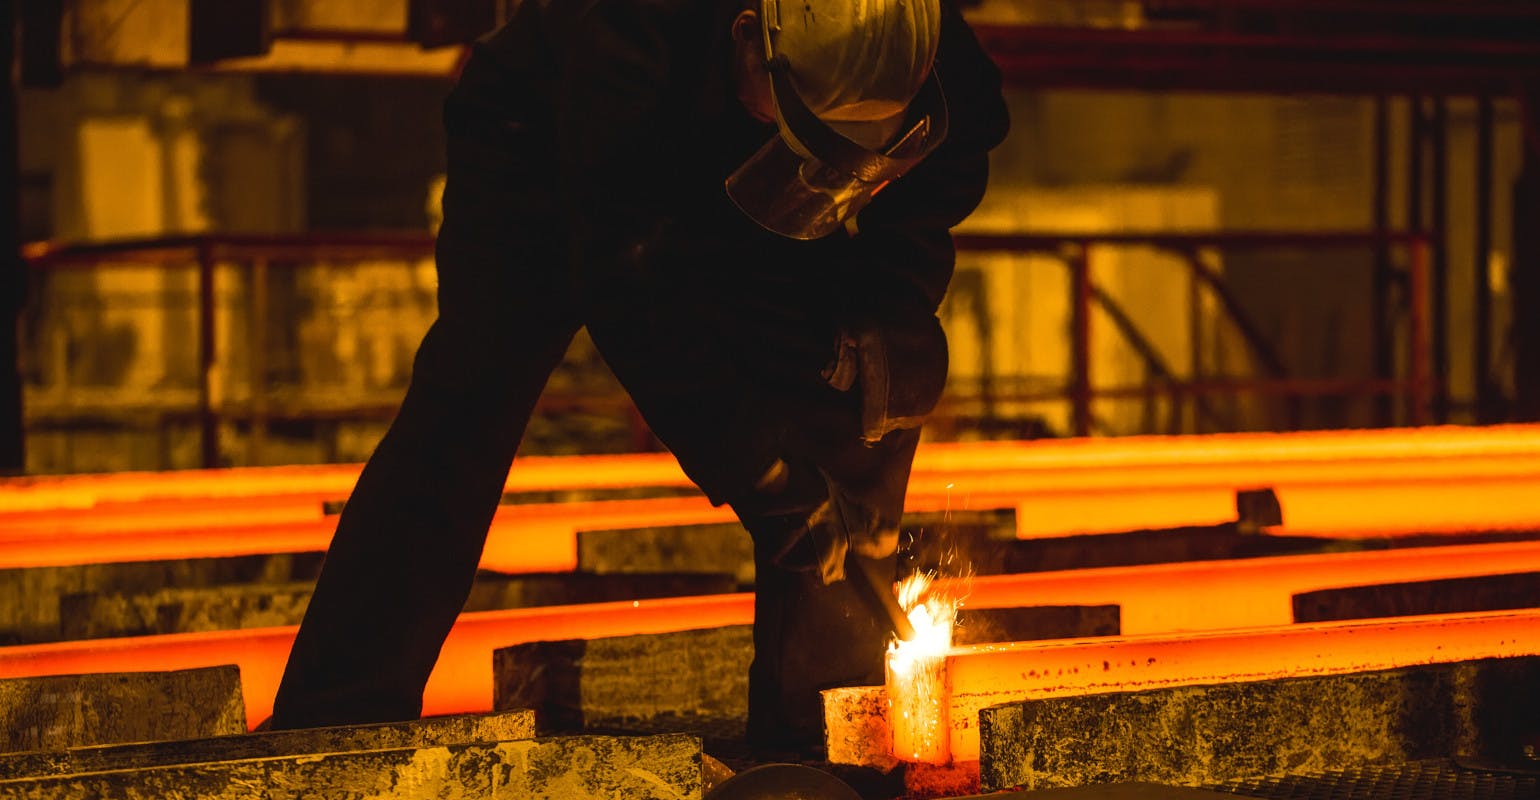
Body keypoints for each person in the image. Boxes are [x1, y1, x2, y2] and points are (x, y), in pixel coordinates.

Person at [267, 0, 1008, 756]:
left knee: (844, 403)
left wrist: (890, 315)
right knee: (466, 410)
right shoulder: (626, 36)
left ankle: (825, 733)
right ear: (749, 36)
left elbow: (947, 172)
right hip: (541, 143)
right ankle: (337, 717)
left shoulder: (912, 41)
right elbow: (634, 298)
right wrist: (760, 471)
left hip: (734, 159)